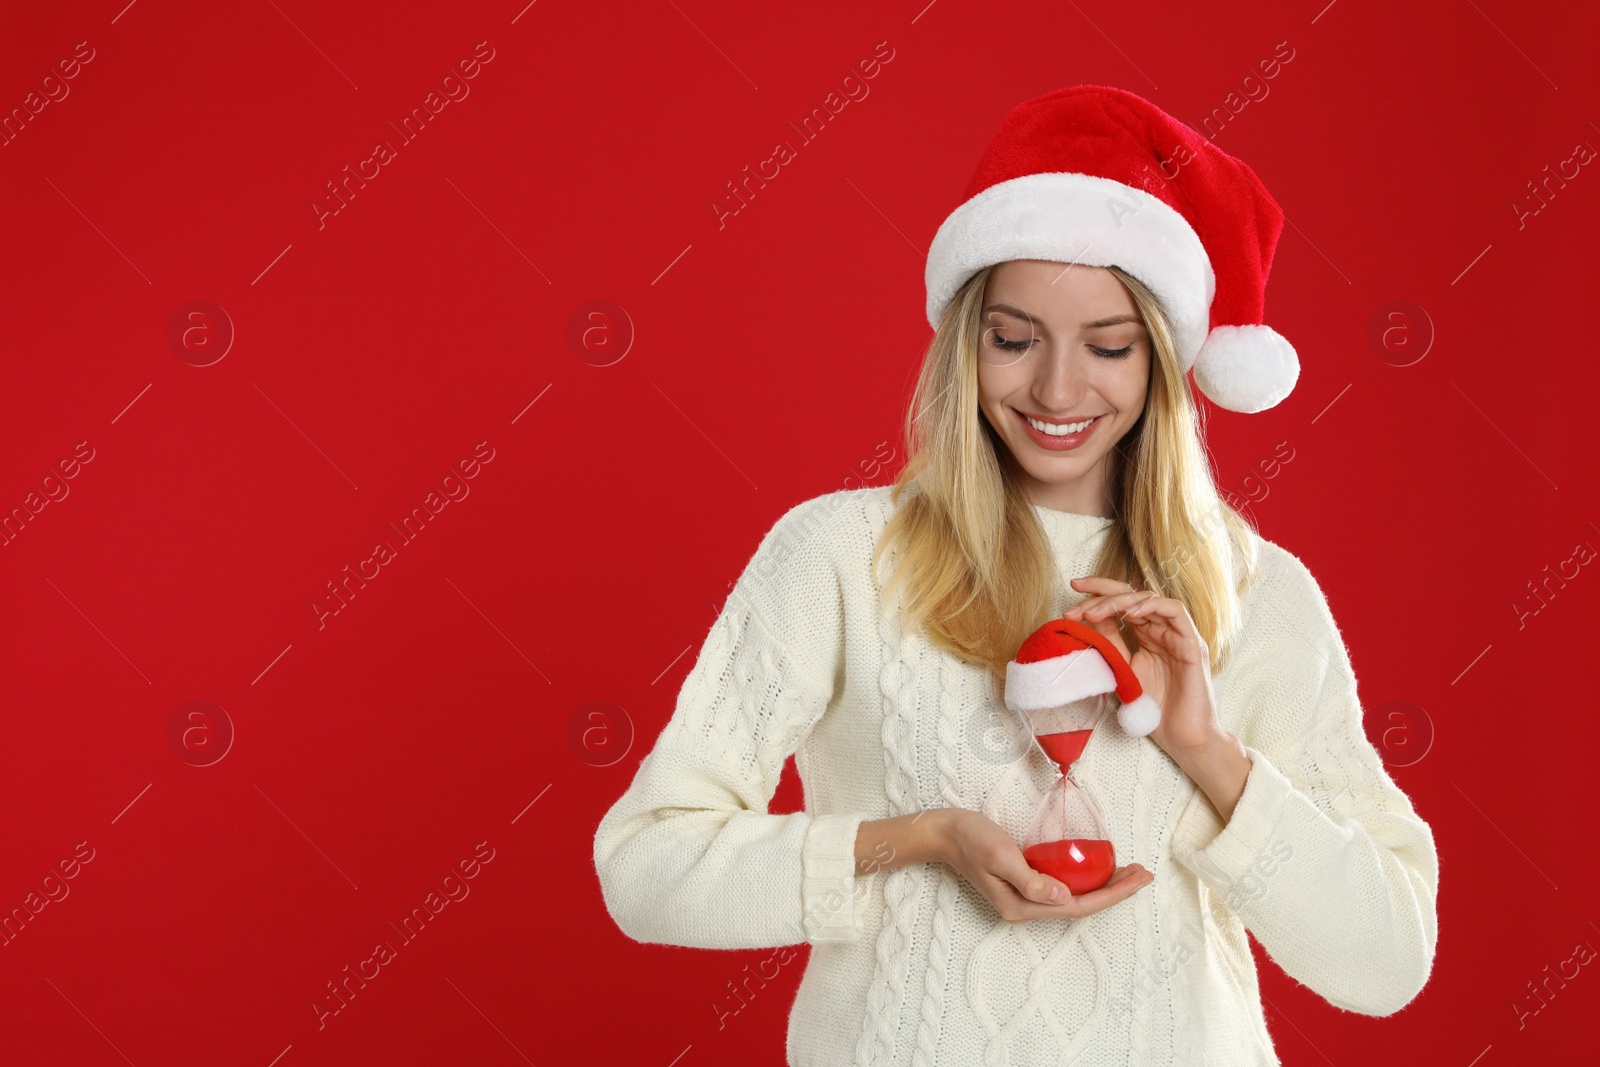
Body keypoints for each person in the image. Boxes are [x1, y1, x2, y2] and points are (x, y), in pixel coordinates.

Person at [592, 84, 1439, 1066]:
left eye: (1109, 346)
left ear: (1163, 363)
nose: (1055, 390)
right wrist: (921, 839)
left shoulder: (1254, 594)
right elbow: (646, 865)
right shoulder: (837, 559)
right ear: (965, 341)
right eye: (1013, 337)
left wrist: (1205, 748)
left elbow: (1388, 961)